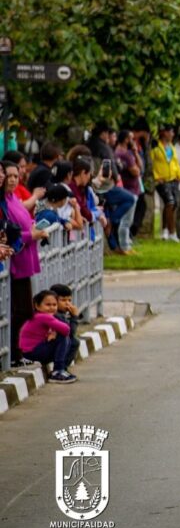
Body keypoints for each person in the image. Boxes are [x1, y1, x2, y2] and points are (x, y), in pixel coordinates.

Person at [4, 160, 48, 365]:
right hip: (15, 260)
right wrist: (31, 234)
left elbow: (24, 219)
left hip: (26, 258)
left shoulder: (14, 198)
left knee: (24, 309)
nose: (12, 179)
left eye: (15, 175)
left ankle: (17, 352)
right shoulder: (3, 202)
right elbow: (10, 232)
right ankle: (13, 354)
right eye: (8, 175)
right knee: (19, 310)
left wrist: (35, 228)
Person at [20, 290, 77, 383]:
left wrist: (54, 332)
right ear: (37, 306)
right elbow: (66, 329)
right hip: (32, 352)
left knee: (65, 338)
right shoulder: (43, 317)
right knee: (63, 337)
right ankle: (58, 371)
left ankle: (61, 370)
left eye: (54, 305)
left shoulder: (37, 316)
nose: (52, 308)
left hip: (31, 351)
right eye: (48, 305)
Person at [152, 124, 180, 241]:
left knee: (173, 205)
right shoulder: (156, 147)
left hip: (173, 180)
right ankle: (172, 232)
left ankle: (165, 230)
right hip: (162, 180)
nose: (172, 134)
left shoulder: (171, 147)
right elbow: (152, 163)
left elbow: (175, 163)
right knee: (169, 202)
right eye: (170, 132)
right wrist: (156, 177)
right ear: (164, 132)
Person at [50, 284, 81, 367]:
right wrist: (74, 317)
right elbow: (70, 333)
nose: (67, 304)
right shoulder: (56, 315)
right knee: (74, 342)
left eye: (69, 300)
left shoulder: (61, 314)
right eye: (63, 300)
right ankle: (60, 369)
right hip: (44, 347)